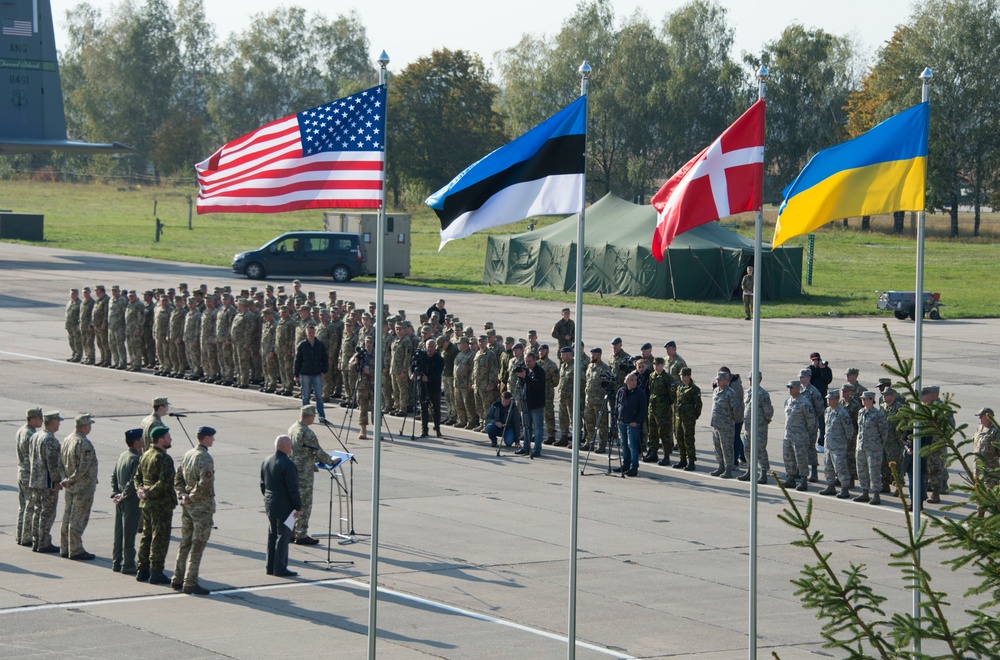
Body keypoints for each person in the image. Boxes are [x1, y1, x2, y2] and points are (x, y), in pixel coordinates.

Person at [171, 426, 216, 595]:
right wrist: (192, 496)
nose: (213, 440)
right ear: (204, 438)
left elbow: (178, 478)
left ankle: (177, 577)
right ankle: (190, 581)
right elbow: (205, 483)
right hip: (201, 507)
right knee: (198, 545)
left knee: (185, 542)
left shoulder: (188, 454)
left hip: (188, 506)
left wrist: (183, 495)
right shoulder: (205, 458)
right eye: (211, 437)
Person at [134, 425, 177, 585]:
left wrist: (140, 490)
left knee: (146, 536)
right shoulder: (164, 458)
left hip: (146, 504)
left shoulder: (145, 455)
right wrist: (148, 492)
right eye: (168, 437)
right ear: (160, 439)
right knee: (160, 537)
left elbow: (137, 476)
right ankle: (156, 571)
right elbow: (164, 482)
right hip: (160, 504)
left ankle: (142, 569)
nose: (170, 439)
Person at [288, 405, 333, 544]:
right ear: (309, 416)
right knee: (304, 504)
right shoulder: (307, 432)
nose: (314, 418)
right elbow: (318, 451)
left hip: (292, 470)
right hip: (304, 472)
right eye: (313, 416)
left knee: (292, 503)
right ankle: (301, 534)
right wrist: (330, 461)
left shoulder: (293, 428)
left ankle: (289, 531)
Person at [59, 413, 99, 560]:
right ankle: (75, 549)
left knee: (68, 516)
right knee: (78, 518)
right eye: (89, 425)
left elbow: (60, 462)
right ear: (84, 426)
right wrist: (71, 479)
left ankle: (65, 547)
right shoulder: (84, 443)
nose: (90, 428)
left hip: (70, 486)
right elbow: (83, 467)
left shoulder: (66, 440)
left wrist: (65, 479)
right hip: (83, 487)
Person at [261, 435, 302, 577]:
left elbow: (262, 484)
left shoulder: (267, 461)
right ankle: (280, 568)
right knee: (283, 537)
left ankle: (270, 566)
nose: (291, 448)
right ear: (283, 446)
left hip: (270, 504)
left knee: (272, 535)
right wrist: (298, 507)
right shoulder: (288, 464)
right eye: (290, 445)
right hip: (285, 506)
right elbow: (293, 488)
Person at [28, 411, 64, 553]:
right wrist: (57, 482)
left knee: (37, 511)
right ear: (53, 423)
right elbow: (53, 464)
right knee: (47, 513)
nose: (59, 424)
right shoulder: (50, 440)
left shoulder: (35, 436)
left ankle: (36, 540)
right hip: (47, 483)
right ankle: (43, 542)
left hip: (35, 481)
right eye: (58, 422)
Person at [111, 429, 143, 574]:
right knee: (129, 533)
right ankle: (128, 563)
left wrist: (116, 493)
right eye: (141, 439)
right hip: (130, 501)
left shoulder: (123, 456)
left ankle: (117, 561)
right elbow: (133, 482)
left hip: (120, 499)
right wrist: (123, 495)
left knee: (119, 532)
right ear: (136, 442)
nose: (142, 442)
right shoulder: (136, 459)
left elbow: (114, 477)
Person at [818, 390, 854, 499]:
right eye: (827, 399)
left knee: (840, 467)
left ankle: (844, 488)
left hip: (839, 446)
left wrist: (843, 443)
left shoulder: (842, 414)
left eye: (831, 399)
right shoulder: (827, 411)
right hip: (828, 445)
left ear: (837, 399)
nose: (828, 401)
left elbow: (849, 431)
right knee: (828, 466)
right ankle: (830, 486)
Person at [854, 390, 888, 505]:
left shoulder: (878, 414)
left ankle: (876, 494)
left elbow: (884, 432)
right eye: (862, 398)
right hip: (861, 446)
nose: (862, 400)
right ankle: (864, 492)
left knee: (874, 471)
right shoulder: (861, 412)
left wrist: (879, 445)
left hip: (874, 448)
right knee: (861, 469)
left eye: (865, 398)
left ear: (871, 400)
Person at [16, 407, 43, 547]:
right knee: (30, 507)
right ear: (32, 419)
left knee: (22, 506)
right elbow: (34, 459)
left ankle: (20, 534)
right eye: (39, 418)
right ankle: (26, 537)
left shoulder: (21, 431)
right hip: (29, 475)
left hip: (21, 473)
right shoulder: (31, 435)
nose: (41, 421)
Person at [782, 381, 816, 492]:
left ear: (798, 388)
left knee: (801, 459)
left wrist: (808, 435)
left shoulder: (804, 403)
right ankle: (791, 477)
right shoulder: (787, 402)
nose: (789, 389)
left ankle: (803, 480)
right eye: (788, 387)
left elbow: (811, 421)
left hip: (800, 436)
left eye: (792, 387)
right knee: (788, 457)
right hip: (788, 435)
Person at [740, 373, 773, 484]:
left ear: (759, 380)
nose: (750, 381)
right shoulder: (748, 392)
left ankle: (763, 473)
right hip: (748, 427)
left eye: (752, 379)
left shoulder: (762, 394)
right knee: (747, 449)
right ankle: (750, 471)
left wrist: (765, 420)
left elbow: (768, 411)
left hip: (759, 427)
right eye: (749, 379)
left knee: (760, 450)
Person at [710, 371, 743, 478]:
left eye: (720, 380)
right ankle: (720, 467)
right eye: (717, 379)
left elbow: (737, 410)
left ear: (726, 380)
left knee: (727, 448)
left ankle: (728, 469)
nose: (717, 381)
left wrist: (729, 419)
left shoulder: (730, 393)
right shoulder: (716, 391)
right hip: (715, 424)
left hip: (726, 426)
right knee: (717, 447)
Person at [514, 351, 546, 457]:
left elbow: (536, 385)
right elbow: (524, 384)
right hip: (525, 403)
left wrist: (525, 378)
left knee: (537, 428)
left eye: (530, 361)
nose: (527, 363)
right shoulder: (526, 371)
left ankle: (537, 449)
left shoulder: (540, 371)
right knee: (526, 426)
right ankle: (526, 447)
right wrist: (520, 381)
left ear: (534, 360)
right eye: (526, 361)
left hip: (536, 404)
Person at [294, 323, 329, 421]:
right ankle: (306, 417)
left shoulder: (320, 345)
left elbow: (325, 358)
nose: (311, 334)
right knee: (306, 397)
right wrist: (296, 374)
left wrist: (324, 371)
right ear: (306, 333)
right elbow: (297, 360)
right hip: (305, 373)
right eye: (309, 332)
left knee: (319, 396)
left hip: (317, 373)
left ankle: (321, 416)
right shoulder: (302, 345)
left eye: (313, 332)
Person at [615, 372, 647, 477]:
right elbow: (617, 405)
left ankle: (634, 467)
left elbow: (643, 410)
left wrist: (637, 421)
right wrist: (617, 418)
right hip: (622, 422)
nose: (634, 382)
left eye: (635, 380)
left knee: (632, 445)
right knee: (624, 444)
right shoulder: (621, 391)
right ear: (626, 381)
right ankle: (626, 464)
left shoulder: (640, 393)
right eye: (631, 380)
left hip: (632, 423)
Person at [644, 357, 674, 465]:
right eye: (654, 364)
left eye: (658, 364)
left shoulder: (667, 378)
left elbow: (672, 396)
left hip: (663, 409)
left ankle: (666, 455)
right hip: (652, 408)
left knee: (664, 432)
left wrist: (664, 404)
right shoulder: (652, 376)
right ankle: (653, 452)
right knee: (652, 431)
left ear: (662, 365)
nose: (656, 366)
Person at [415, 338, 445, 439]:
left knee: (436, 409)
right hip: (422, 387)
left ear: (435, 347)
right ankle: (424, 429)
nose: (430, 349)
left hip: (434, 387)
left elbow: (438, 373)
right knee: (423, 408)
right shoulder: (421, 357)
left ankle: (437, 428)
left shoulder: (439, 359)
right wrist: (413, 374)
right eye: (428, 346)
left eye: (432, 347)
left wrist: (428, 378)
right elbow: (413, 366)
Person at [584, 348, 612, 453]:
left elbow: (608, 384)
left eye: (594, 355)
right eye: (591, 354)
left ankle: (602, 445)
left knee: (602, 424)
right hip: (589, 401)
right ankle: (589, 442)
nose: (592, 356)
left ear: (599, 355)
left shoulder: (604, 368)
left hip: (599, 401)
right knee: (589, 423)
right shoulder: (590, 366)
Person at [674, 367, 702, 470]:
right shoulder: (679, 388)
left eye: (684, 375)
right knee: (680, 438)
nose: (682, 377)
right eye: (681, 375)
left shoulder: (694, 389)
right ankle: (682, 459)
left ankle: (691, 461)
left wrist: (694, 416)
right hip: (679, 417)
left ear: (689, 376)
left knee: (688, 439)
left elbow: (698, 405)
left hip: (688, 418)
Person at [972, 408, 998, 518]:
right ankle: (980, 514)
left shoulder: (995, 431)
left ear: (988, 417)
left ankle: (995, 516)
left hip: (990, 468)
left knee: (991, 493)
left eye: (981, 416)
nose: (979, 419)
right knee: (979, 490)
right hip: (978, 467)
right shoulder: (979, 428)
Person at [349, 337, 377, 439]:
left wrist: (371, 372)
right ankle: (363, 431)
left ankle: (377, 432)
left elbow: (383, 368)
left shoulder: (377, 354)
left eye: (370, 342)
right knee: (362, 408)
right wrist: (356, 360)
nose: (368, 344)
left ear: (373, 343)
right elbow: (350, 366)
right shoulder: (360, 354)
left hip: (374, 385)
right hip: (362, 385)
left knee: (376, 409)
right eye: (366, 342)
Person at [808, 352, 833, 448]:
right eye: (813, 360)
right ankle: (810, 442)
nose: (816, 362)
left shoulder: (825, 369)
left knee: (822, 422)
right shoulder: (809, 370)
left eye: (817, 360)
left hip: (822, 399)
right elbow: (807, 380)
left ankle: (821, 442)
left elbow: (828, 380)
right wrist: (813, 367)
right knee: (811, 422)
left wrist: (823, 369)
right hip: (810, 399)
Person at [65, 288, 82, 362]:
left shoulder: (80, 303)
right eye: (72, 294)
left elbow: (81, 315)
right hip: (69, 326)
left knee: (77, 342)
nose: (73, 295)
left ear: (77, 294)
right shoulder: (69, 303)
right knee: (71, 341)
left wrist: (79, 324)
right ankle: (74, 354)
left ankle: (78, 356)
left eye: (74, 294)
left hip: (75, 326)